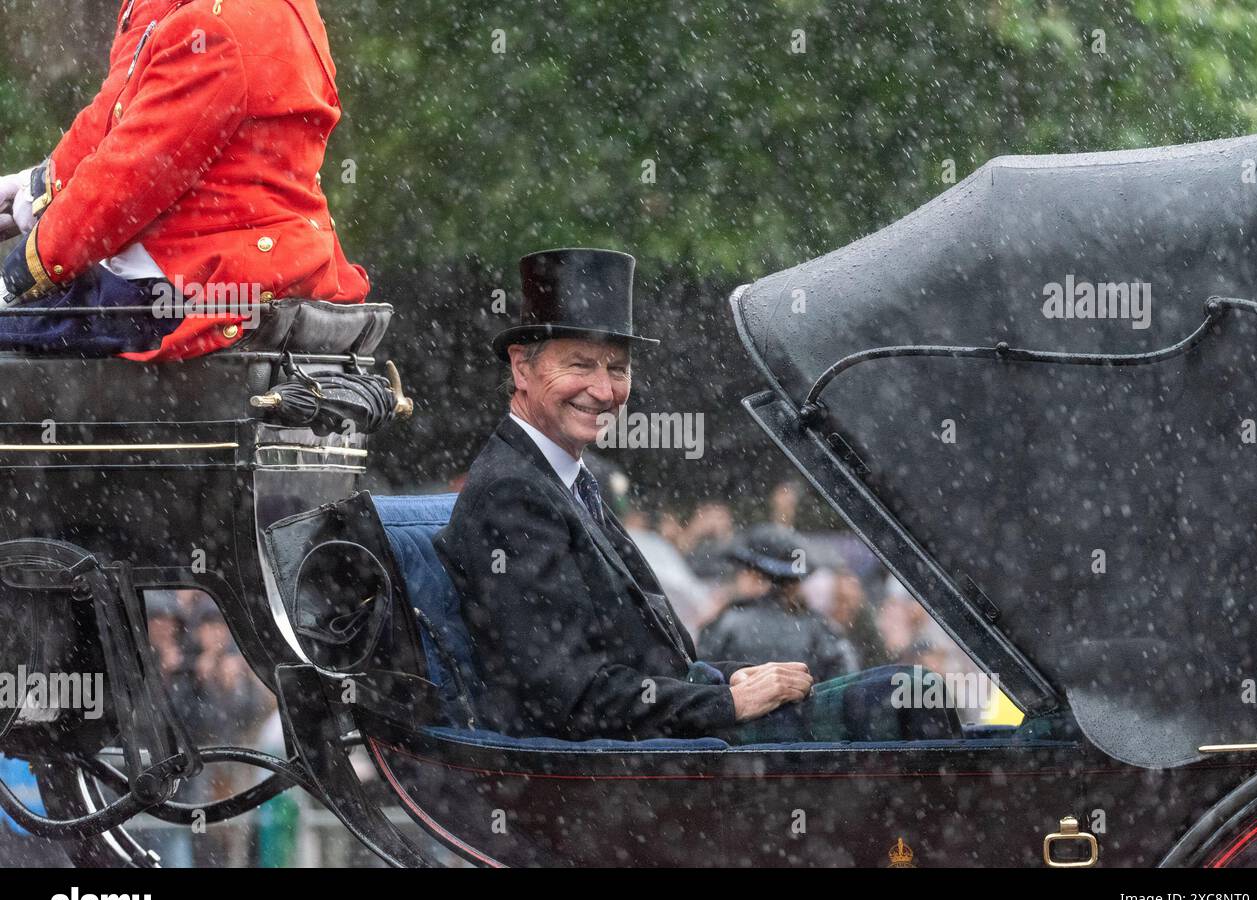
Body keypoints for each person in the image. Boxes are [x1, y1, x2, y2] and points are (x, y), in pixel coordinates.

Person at [435, 247, 959, 744]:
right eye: (580, 364)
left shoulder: (564, 478)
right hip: (616, 765)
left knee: (908, 689)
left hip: (661, 735)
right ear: (521, 367)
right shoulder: (513, 492)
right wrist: (725, 703)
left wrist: (729, 680)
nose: (603, 390)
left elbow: (644, 664)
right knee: (907, 695)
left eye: (617, 368)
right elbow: (566, 698)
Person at [0, 0, 369, 360]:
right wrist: (37, 186)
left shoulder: (212, 27)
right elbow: (120, 107)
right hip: (247, 270)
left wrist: (17, 276)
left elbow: (127, 183)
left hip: (191, 292)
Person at [697, 524, 860, 680]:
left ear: (756, 577)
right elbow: (847, 688)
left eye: (741, 571)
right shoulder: (822, 631)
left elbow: (699, 687)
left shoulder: (727, 625)